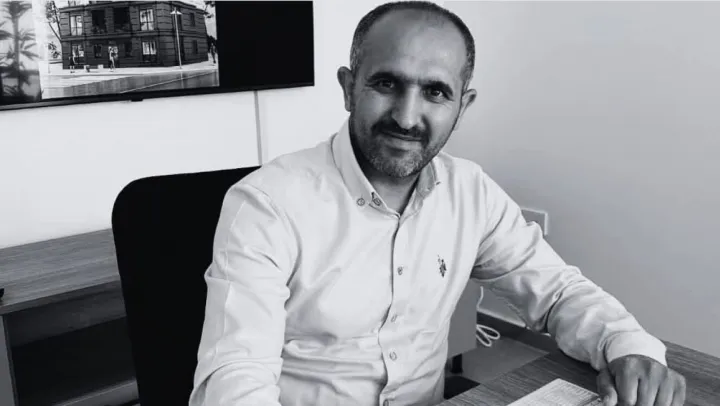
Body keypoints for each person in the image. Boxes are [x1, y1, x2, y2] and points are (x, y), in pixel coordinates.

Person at [189, 2, 686, 406]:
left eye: (435, 92)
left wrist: (628, 347)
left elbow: (557, 292)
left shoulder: (471, 191)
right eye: (386, 83)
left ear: (462, 106)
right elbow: (235, 378)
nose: (407, 117)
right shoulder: (267, 204)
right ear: (348, 88)